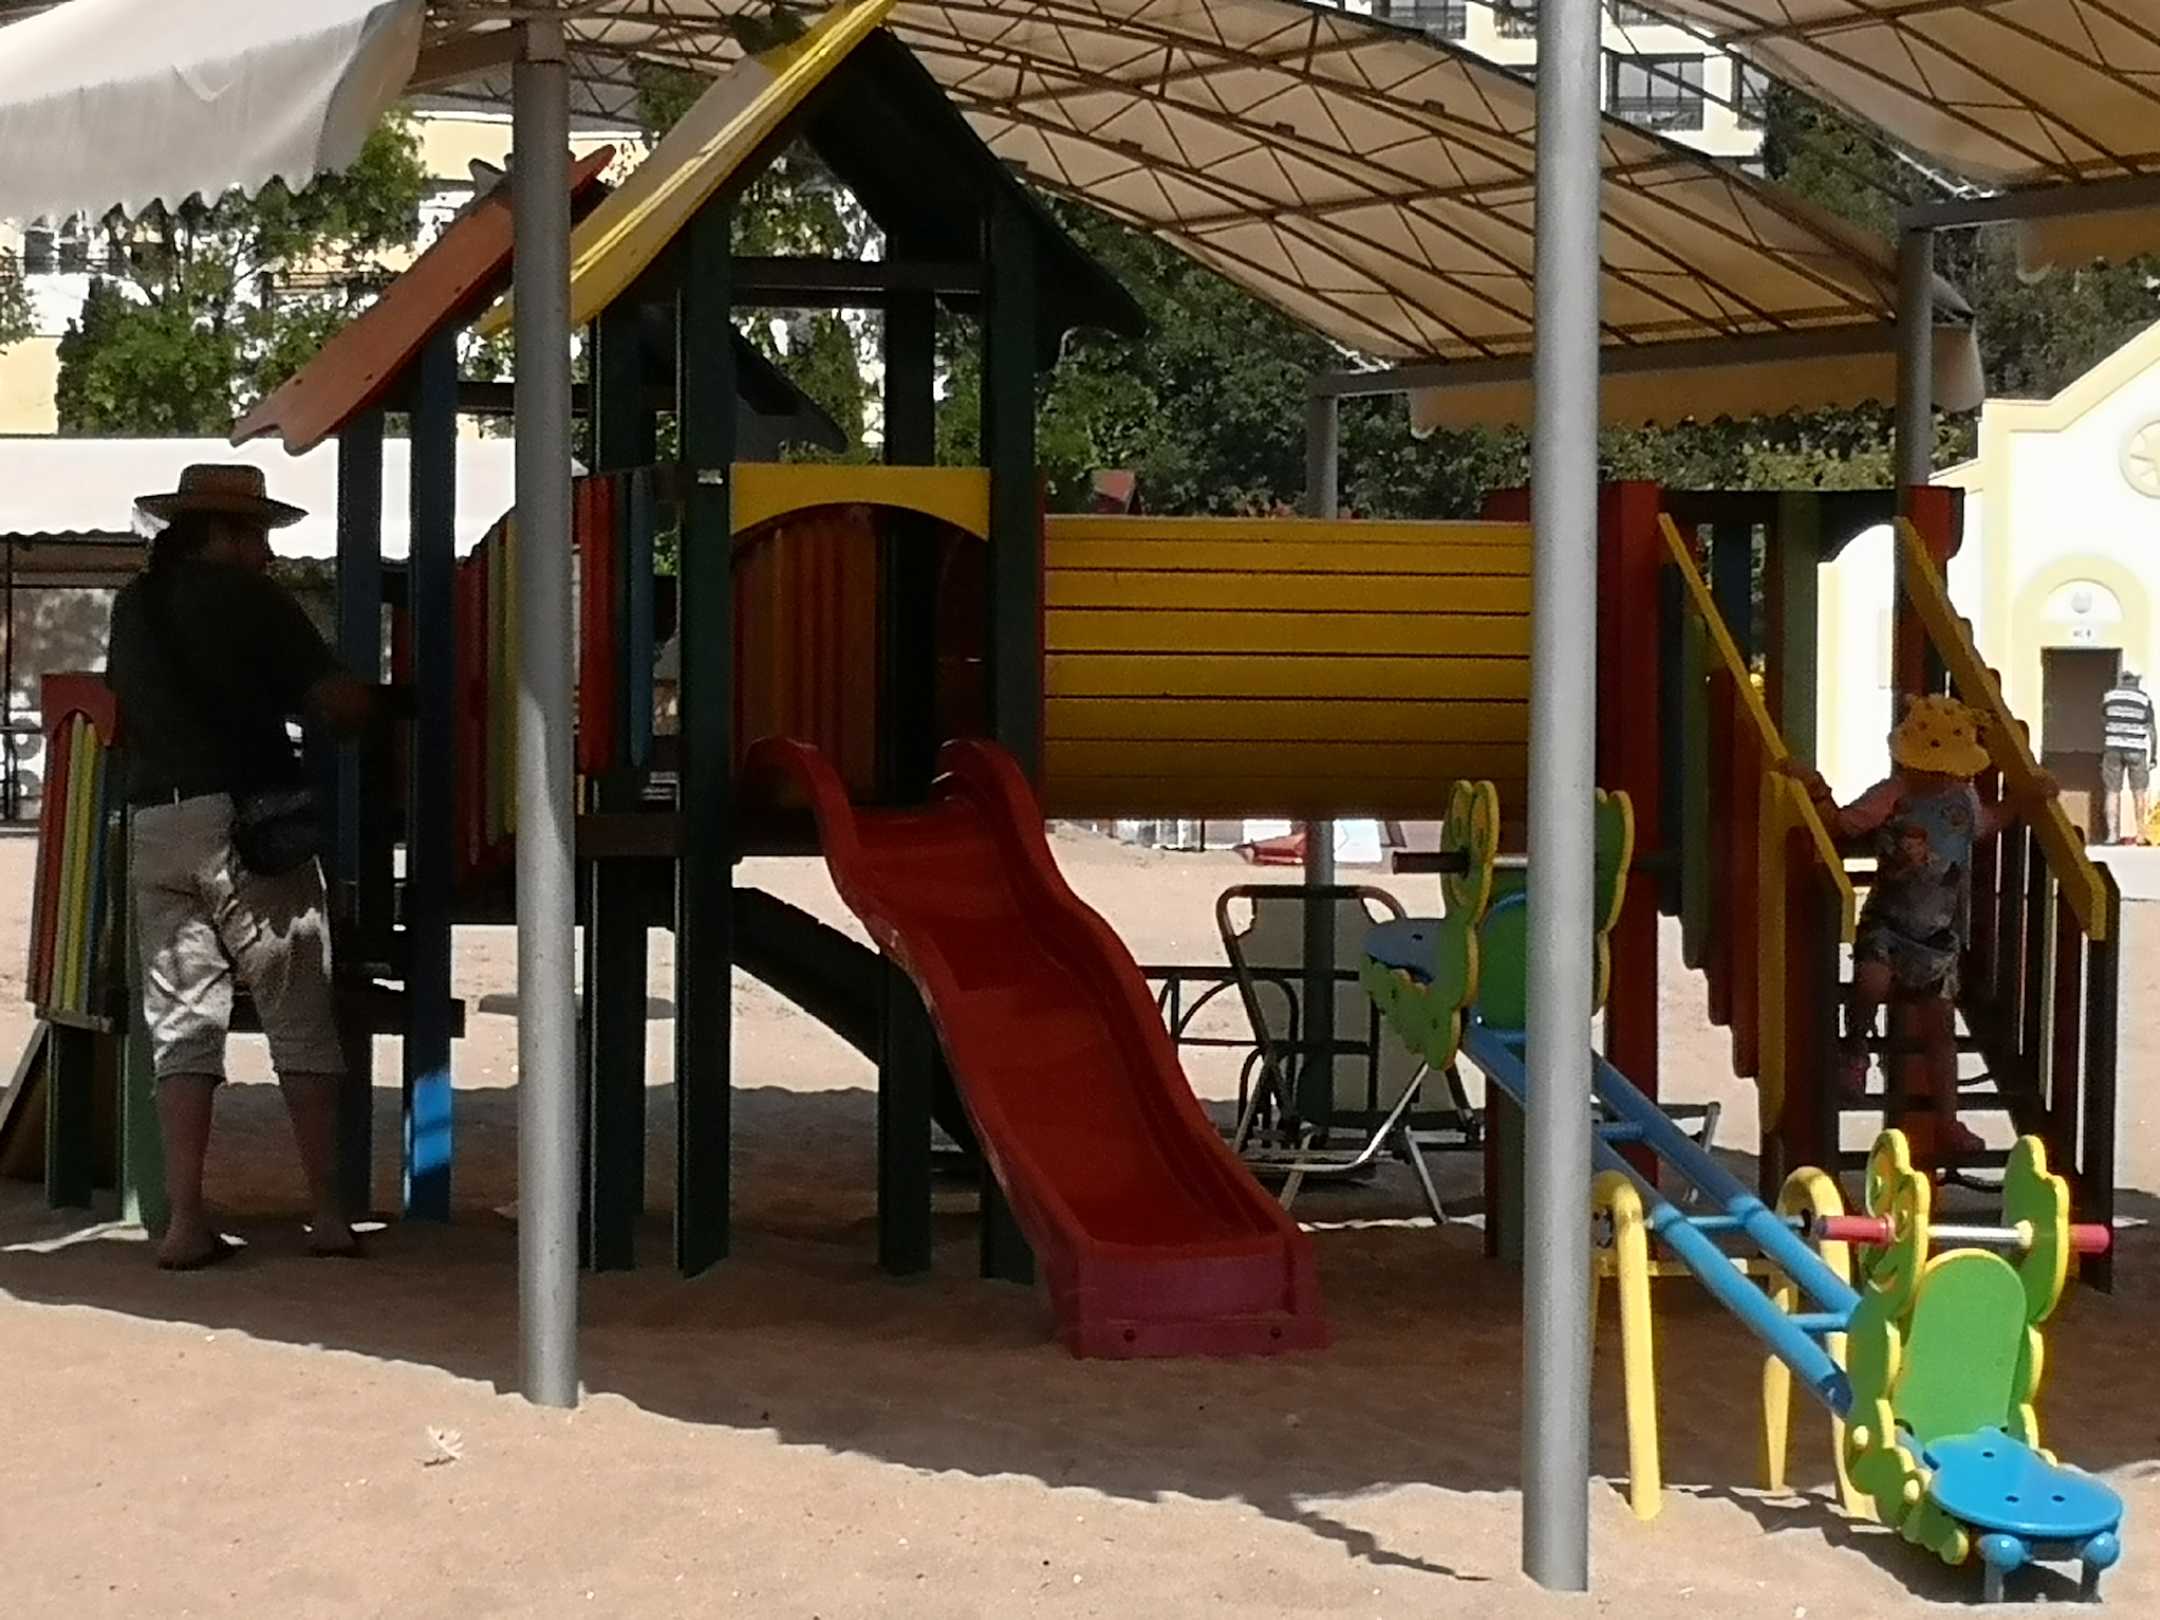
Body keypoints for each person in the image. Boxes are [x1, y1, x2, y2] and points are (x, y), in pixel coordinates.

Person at [104, 465, 384, 1269]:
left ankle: (185, 1223)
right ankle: (327, 1214)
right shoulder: (254, 601)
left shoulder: (134, 606)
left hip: (156, 824)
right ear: (224, 535)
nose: (268, 553)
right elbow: (335, 704)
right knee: (300, 1015)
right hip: (247, 829)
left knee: (182, 1029)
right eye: (258, 536)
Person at [1781, 695, 2056, 1158]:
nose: (1944, 777)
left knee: (1940, 1030)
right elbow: (1845, 824)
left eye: (1950, 770)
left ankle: (1948, 1121)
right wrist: (1814, 790)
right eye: (1937, 769)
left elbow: (1986, 824)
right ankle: (1855, 1049)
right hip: (1888, 922)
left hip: (1938, 935)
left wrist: (2023, 800)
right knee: (1871, 981)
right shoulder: (1893, 794)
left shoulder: (1963, 798)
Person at [2098, 667, 2154, 845]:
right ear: (2136, 681)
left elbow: (2104, 720)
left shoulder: (2109, 697)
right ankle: (2140, 835)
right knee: (2139, 792)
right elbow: (2151, 730)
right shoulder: (2143, 699)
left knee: (2112, 792)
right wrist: (2154, 756)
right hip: (2137, 749)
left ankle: (2112, 835)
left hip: (2113, 748)